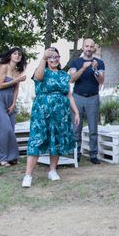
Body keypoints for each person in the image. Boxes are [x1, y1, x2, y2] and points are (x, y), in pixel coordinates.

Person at [22, 47, 79, 187]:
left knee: (57, 140)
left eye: (56, 56)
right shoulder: (41, 71)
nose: (53, 59)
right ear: (47, 59)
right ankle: (28, 175)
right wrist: (42, 58)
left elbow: (69, 95)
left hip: (61, 114)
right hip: (42, 113)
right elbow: (39, 77)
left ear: (60, 58)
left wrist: (76, 112)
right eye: (50, 57)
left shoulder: (64, 75)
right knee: (37, 139)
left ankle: (52, 170)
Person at [68, 38, 105, 164]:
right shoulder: (76, 62)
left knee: (93, 128)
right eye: (86, 46)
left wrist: (95, 69)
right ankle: (76, 154)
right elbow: (72, 79)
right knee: (76, 128)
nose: (88, 49)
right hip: (77, 97)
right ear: (83, 47)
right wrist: (83, 68)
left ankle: (93, 154)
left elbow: (101, 81)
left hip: (93, 97)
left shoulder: (99, 62)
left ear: (94, 48)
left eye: (91, 46)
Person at [0, 47, 27, 167]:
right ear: (10, 55)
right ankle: (1, 158)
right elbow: (0, 85)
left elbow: (16, 89)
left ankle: (12, 157)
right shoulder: (4, 66)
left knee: (11, 129)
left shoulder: (18, 71)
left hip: (10, 99)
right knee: (4, 128)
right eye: (15, 53)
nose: (18, 56)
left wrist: (13, 104)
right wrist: (17, 80)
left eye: (20, 54)